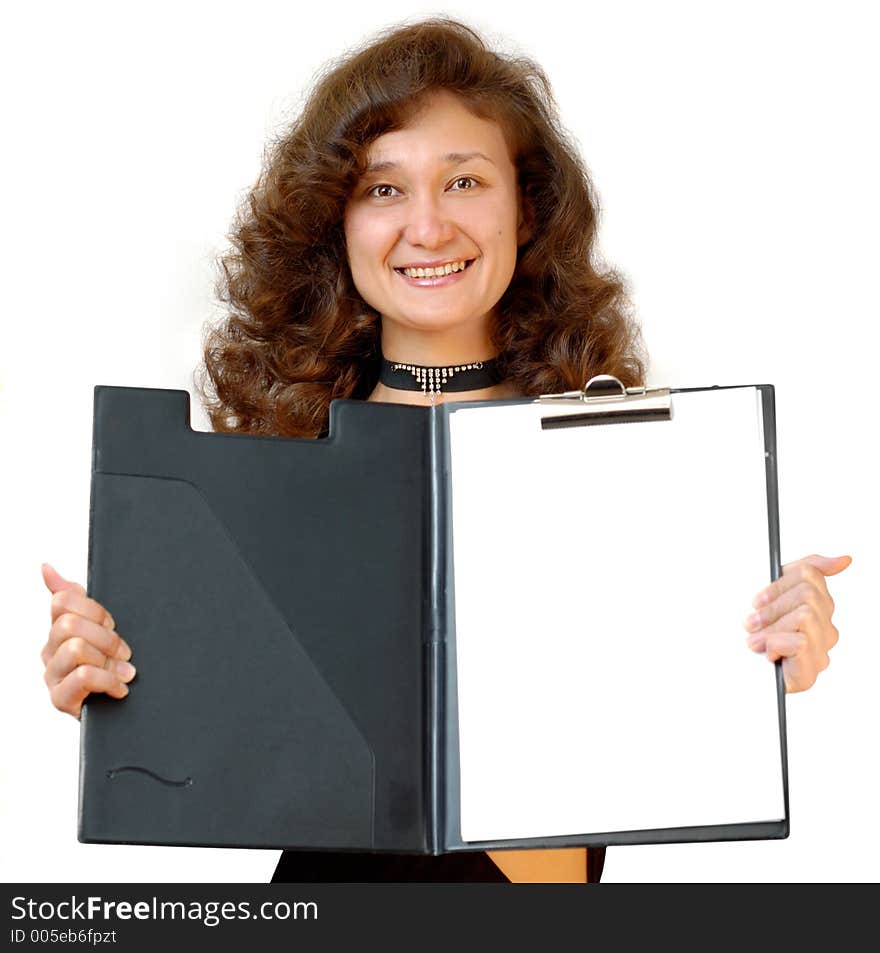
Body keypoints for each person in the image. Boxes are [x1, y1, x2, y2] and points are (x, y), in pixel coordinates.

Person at [39, 17, 851, 884]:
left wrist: (759, 658)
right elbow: (227, 752)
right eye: (383, 190)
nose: (426, 228)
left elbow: (655, 742)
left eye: (464, 181)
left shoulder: (641, 477)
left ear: (525, 207)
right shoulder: (261, 481)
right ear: (337, 221)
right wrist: (116, 682)